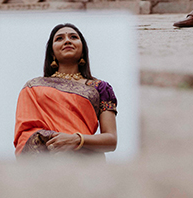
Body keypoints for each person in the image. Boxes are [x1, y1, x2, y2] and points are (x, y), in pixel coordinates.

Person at [14, 23, 117, 156]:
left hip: (86, 162)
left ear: (83, 49)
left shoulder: (100, 88)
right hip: (45, 163)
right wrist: (55, 140)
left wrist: (75, 139)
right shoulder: (33, 87)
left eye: (73, 37)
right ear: (52, 52)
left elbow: (111, 140)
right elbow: (24, 135)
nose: (67, 40)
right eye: (59, 38)